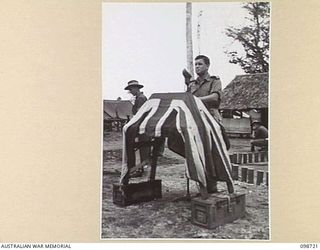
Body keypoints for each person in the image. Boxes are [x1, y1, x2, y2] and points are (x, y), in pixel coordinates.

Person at [182, 55, 228, 193]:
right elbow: (186, 98)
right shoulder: (192, 84)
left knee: (213, 150)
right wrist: (187, 82)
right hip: (196, 119)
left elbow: (215, 97)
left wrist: (197, 100)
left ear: (207, 66)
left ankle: (212, 183)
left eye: (200, 64)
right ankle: (201, 181)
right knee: (195, 149)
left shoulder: (214, 81)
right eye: (195, 64)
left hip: (211, 116)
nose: (197, 67)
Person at [124, 80, 149, 177]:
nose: (130, 92)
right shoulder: (138, 98)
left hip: (141, 125)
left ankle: (139, 170)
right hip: (140, 124)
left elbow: (140, 114)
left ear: (136, 88)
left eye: (131, 89)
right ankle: (139, 169)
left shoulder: (141, 98)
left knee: (141, 149)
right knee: (140, 149)